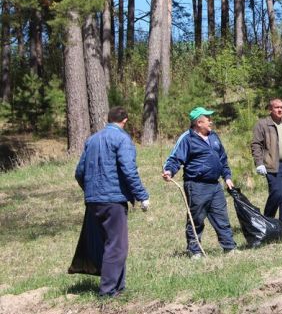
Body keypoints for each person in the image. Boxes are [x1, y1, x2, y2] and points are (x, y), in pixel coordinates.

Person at [74, 106, 150, 298]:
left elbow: (79, 173)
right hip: (113, 201)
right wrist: (142, 195)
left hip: (93, 201)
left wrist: (91, 191)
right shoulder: (122, 139)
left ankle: (119, 288)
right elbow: (128, 170)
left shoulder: (91, 140)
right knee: (117, 245)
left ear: (108, 119)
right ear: (125, 121)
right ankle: (107, 292)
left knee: (108, 244)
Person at [162, 107, 238, 258]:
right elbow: (175, 158)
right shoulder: (187, 138)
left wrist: (227, 176)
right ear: (198, 122)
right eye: (208, 119)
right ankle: (195, 251)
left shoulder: (214, 137)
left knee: (222, 217)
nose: (211, 121)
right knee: (196, 218)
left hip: (215, 185)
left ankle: (230, 247)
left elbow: (222, 159)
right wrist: (169, 171)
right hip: (196, 185)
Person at [251, 98, 282, 226]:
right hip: (273, 165)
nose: (280, 110)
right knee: (277, 193)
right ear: (270, 109)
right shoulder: (262, 124)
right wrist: (259, 163)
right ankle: (267, 220)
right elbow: (256, 144)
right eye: (277, 107)